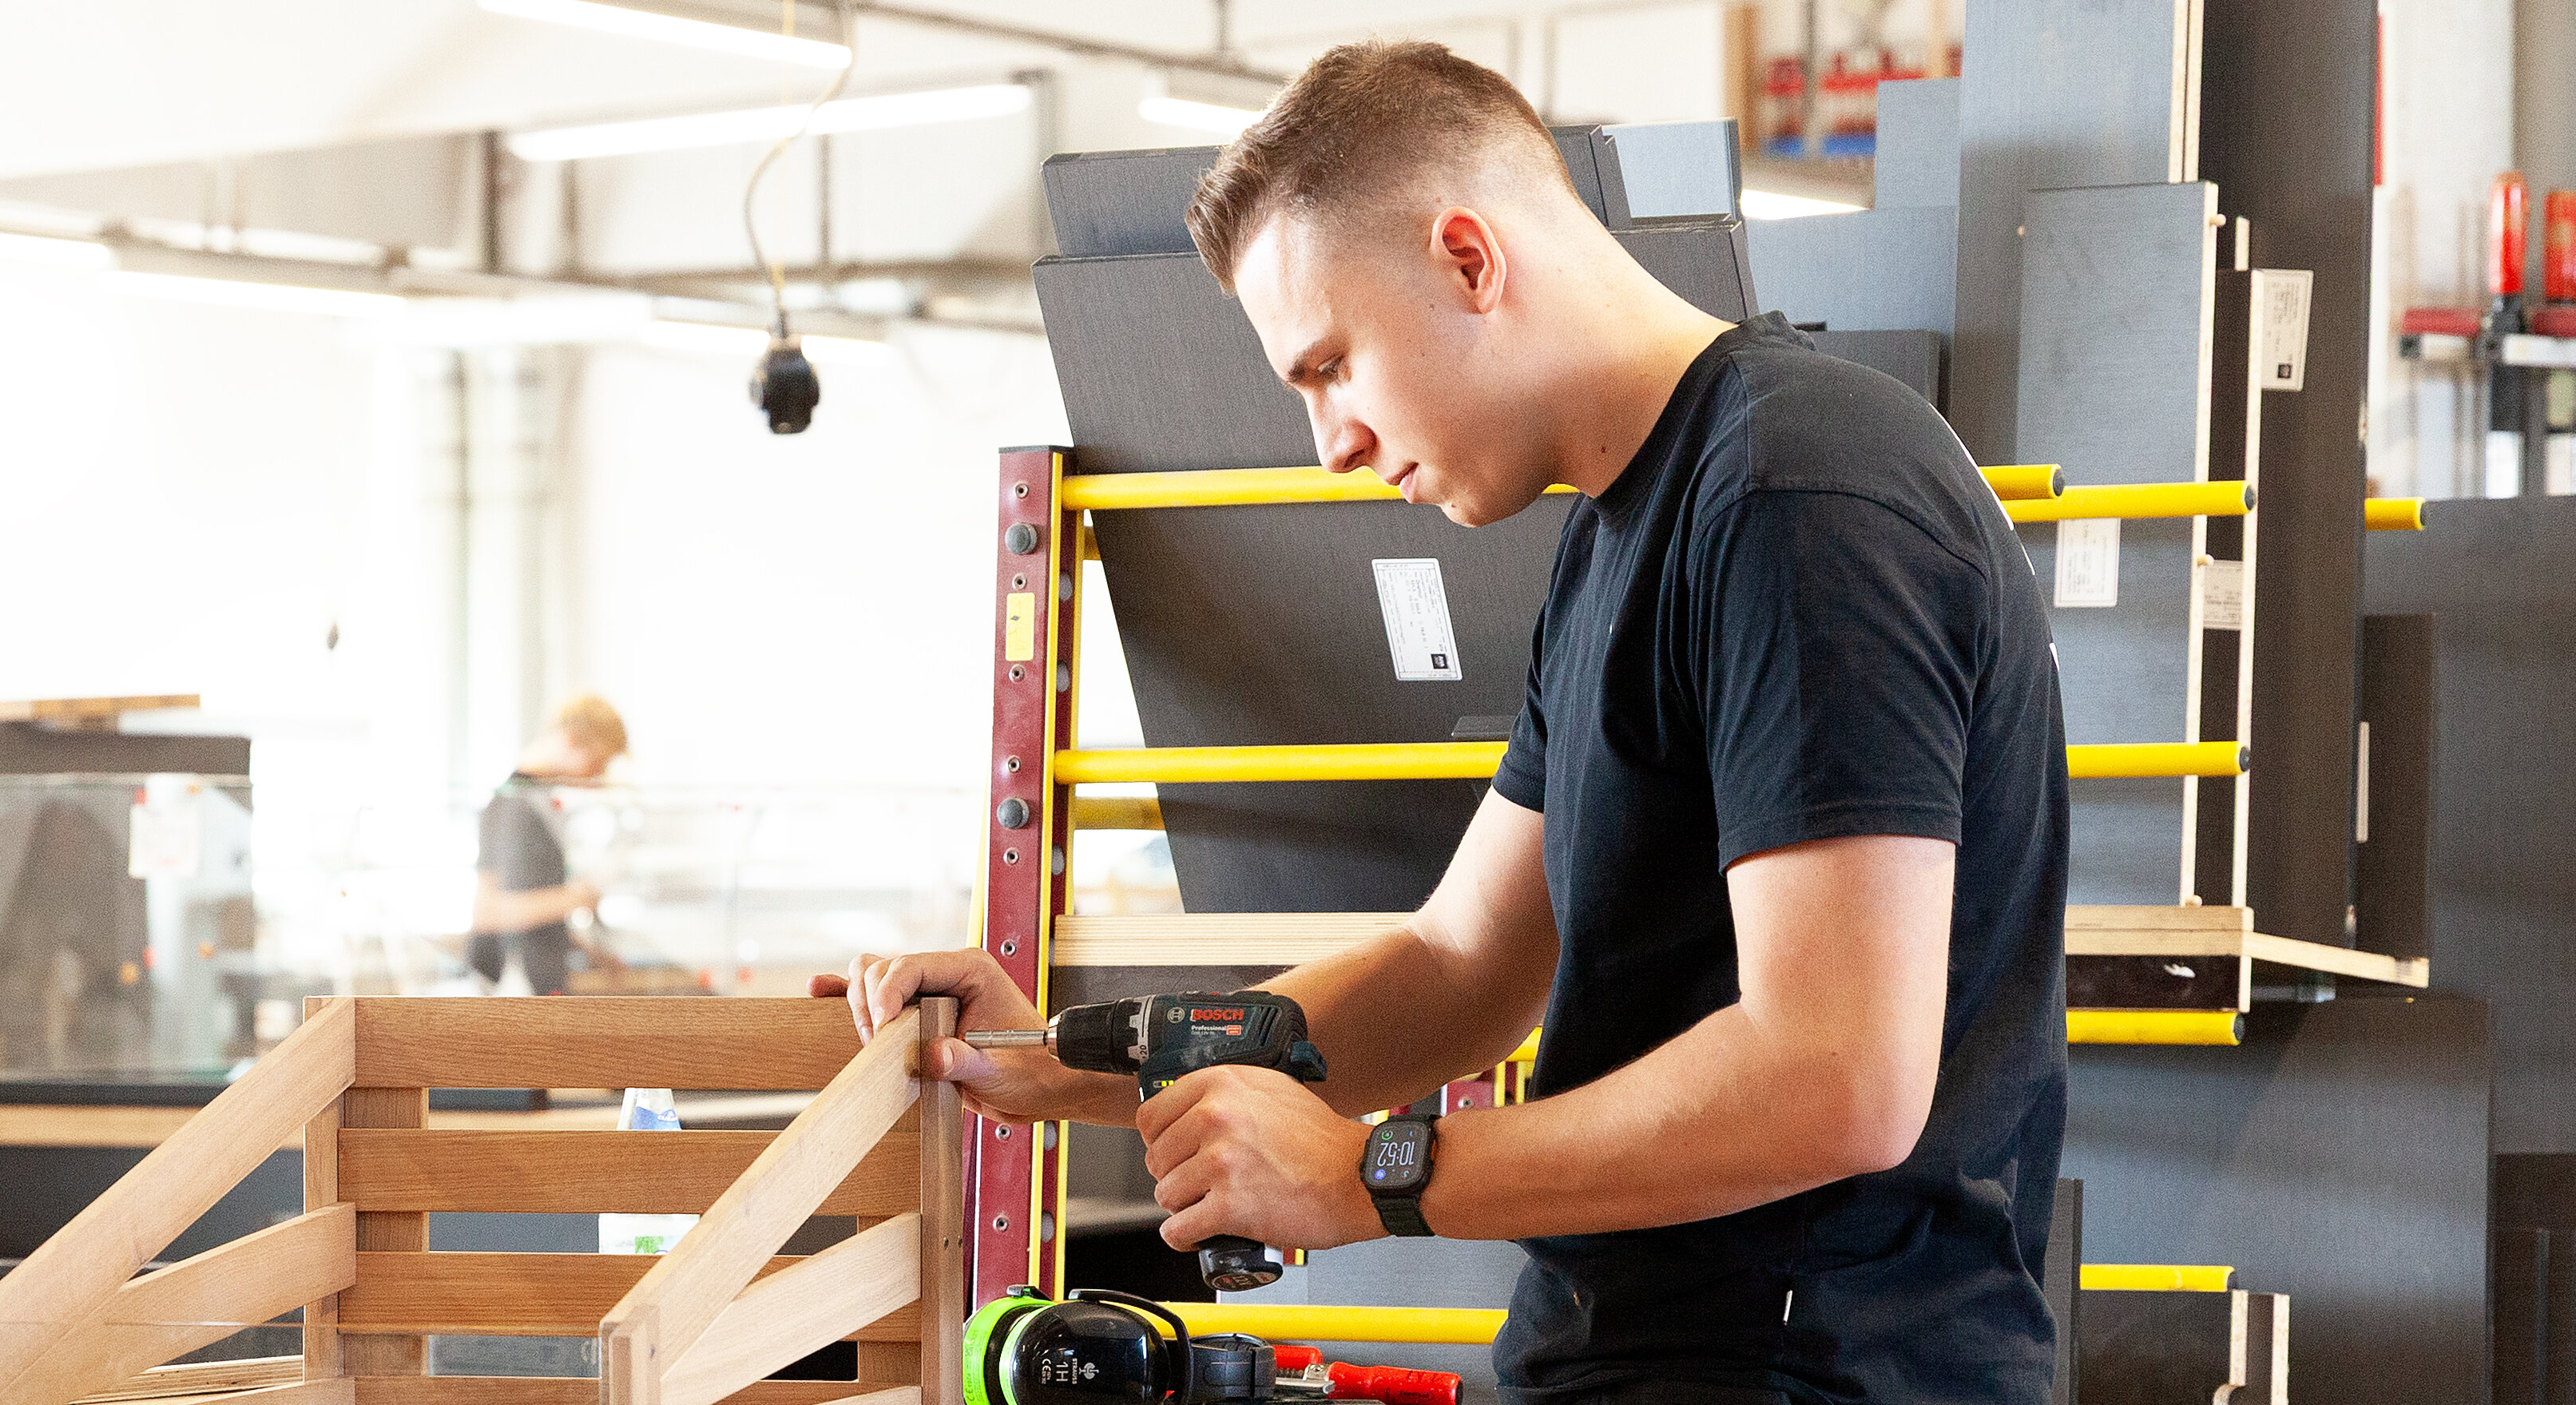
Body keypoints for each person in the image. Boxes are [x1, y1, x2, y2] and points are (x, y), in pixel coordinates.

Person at [820, 40, 2067, 1405]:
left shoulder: (1795, 496)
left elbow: (1835, 1073)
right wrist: (1064, 1055)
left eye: (1331, 364)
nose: (1329, 443)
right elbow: (1455, 965)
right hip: (1636, 1352)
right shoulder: (1622, 535)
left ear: (1468, 259)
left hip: (1800, 1367)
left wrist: (1372, 1174)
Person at [470, 693, 628, 994]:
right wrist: (579, 897)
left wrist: (592, 951)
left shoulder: (534, 801)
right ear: (571, 740)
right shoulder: (512, 805)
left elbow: (531, 909)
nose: (598, 776)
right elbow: (487, 913)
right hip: (514, 990)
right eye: (597, 762)